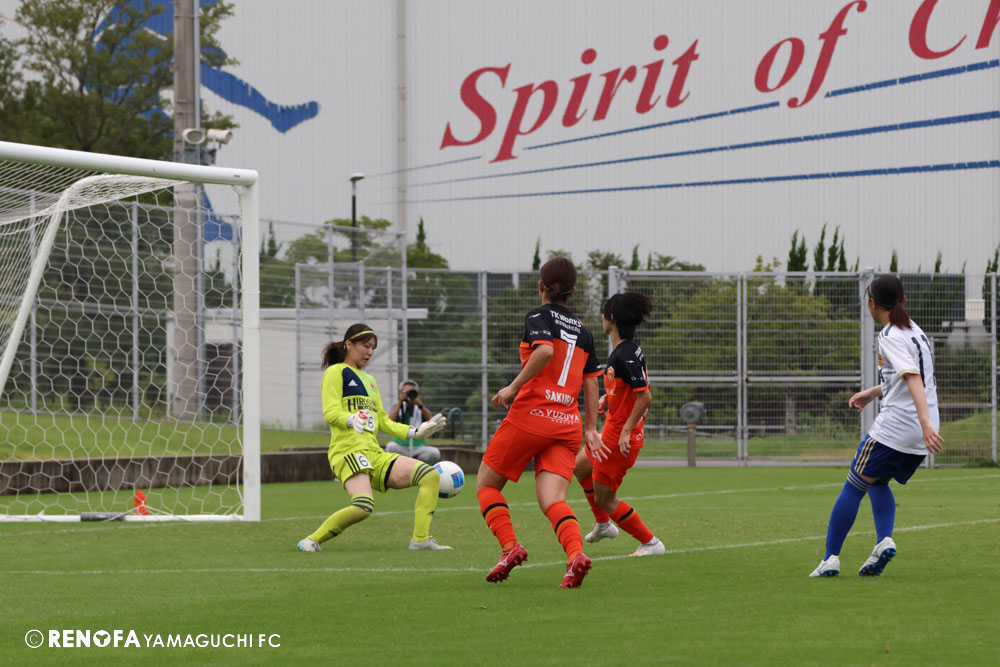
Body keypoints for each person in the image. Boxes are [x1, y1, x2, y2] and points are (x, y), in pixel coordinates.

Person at [476, 257, 606, 588]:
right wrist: (591, 429)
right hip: (567, 424)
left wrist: (512, 387)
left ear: (540, 287)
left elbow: (545, 351)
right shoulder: (584, 331)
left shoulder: (539, 316)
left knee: (487, 485)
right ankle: (575, 556)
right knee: (553, 500)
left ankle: (510, 547)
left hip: (532, 416)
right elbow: (592, 381)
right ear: (572, 292)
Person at [810, 274, 943, 577]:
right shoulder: (916, 332)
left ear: (871, 304)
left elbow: (913, 378)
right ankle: (883, 541)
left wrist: (923, 423)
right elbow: (909, 379)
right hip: (921, 432)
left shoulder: (890, 335)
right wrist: (873, 392)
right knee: (878, 482)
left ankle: (830, 559)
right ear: (903, 300)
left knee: (853, 485)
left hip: (898, 427)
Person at [297, 323, 450, 553]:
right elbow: (330, 412)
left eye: (373, 348)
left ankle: (421, 540)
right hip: (348, 451)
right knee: (363, 506)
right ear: (349, 344)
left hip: (374, 453)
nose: (370, 352)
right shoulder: (335, 372)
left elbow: (383, 421)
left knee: (430, 475)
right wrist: (350, 419)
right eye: (366, 346)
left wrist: (415, 431)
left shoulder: (369, 380)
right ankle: (311, 540)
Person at [574, 292, 665, 557]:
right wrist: (607, 397)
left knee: (605, 497)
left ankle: (651, 543)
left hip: (619, 439)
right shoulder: (626, 350)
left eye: (603, 315)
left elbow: (644, 396)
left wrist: (626, 431)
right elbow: (628, 389)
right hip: (612, 431)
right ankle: (603, 525)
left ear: (611, 318)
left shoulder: (624, 354)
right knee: (580, 467)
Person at [387, 380, 442, 464]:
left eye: (411, 392)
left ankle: (417, 467)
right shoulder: (397, 407)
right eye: (406, 392)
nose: (409, 394)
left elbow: (431, 421)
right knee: (390, 446)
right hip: (400, 446)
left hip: (418, 447)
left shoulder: (422, 406)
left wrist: (420, 405)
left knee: (435, 453)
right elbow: (389, 421)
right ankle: (402, 467)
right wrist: (400, 402)